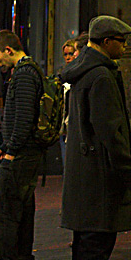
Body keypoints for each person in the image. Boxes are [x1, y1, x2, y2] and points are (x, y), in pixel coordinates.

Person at [59, 16, 131, 260]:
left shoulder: (84, 71)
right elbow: (111, 133)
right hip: (99, 175)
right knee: (96, 245)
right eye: (121, 42)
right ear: (107, 41)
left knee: (85, 243)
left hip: (84, 173)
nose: (124, 48)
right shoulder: (101, 77)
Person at [0, 30, 45, 260]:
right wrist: (5, 146)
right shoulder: (28, 72)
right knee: (22, 207)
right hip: (23, 151)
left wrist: (11, 150)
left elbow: (24, 117)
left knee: (4, 208)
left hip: (21, 154)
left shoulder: (25, 75)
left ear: (9, 50)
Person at [59, 39, 77, 167]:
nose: (68, 58)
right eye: (65, 55)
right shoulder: (63, 74)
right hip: (64, 124)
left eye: (70, 54)